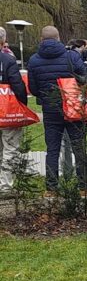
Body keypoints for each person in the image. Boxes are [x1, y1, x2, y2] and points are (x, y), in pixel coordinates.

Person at [27, 26, 87, 196]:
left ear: (41, 39)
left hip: (50, 109)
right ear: (58, 38)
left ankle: (51, 188)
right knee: (79, 146)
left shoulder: (33, 60)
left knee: (53, 149)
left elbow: (33, 89)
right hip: (73, 107)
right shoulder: (71, 56)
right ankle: (84, 186)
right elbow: (85, 77)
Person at [0, 26, 29, 197]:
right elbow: (18, 86)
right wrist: (22, 105)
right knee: (10, 147)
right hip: (7, 111)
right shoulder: (8, 60)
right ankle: (5, 186)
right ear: (3, 41)